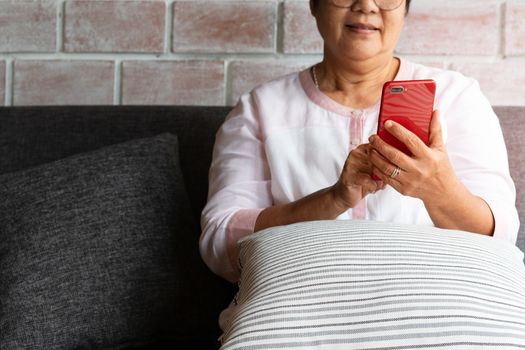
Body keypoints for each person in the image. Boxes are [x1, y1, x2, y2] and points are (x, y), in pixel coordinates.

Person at [200, 0, 520, 283]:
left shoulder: (456, 97)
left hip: (434, 306)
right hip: (303, 312)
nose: (367, 5)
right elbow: (219, 242)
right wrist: (334, 199)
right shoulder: (260, 109)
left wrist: (438, 189)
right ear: (314, 4)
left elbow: (501, 234)